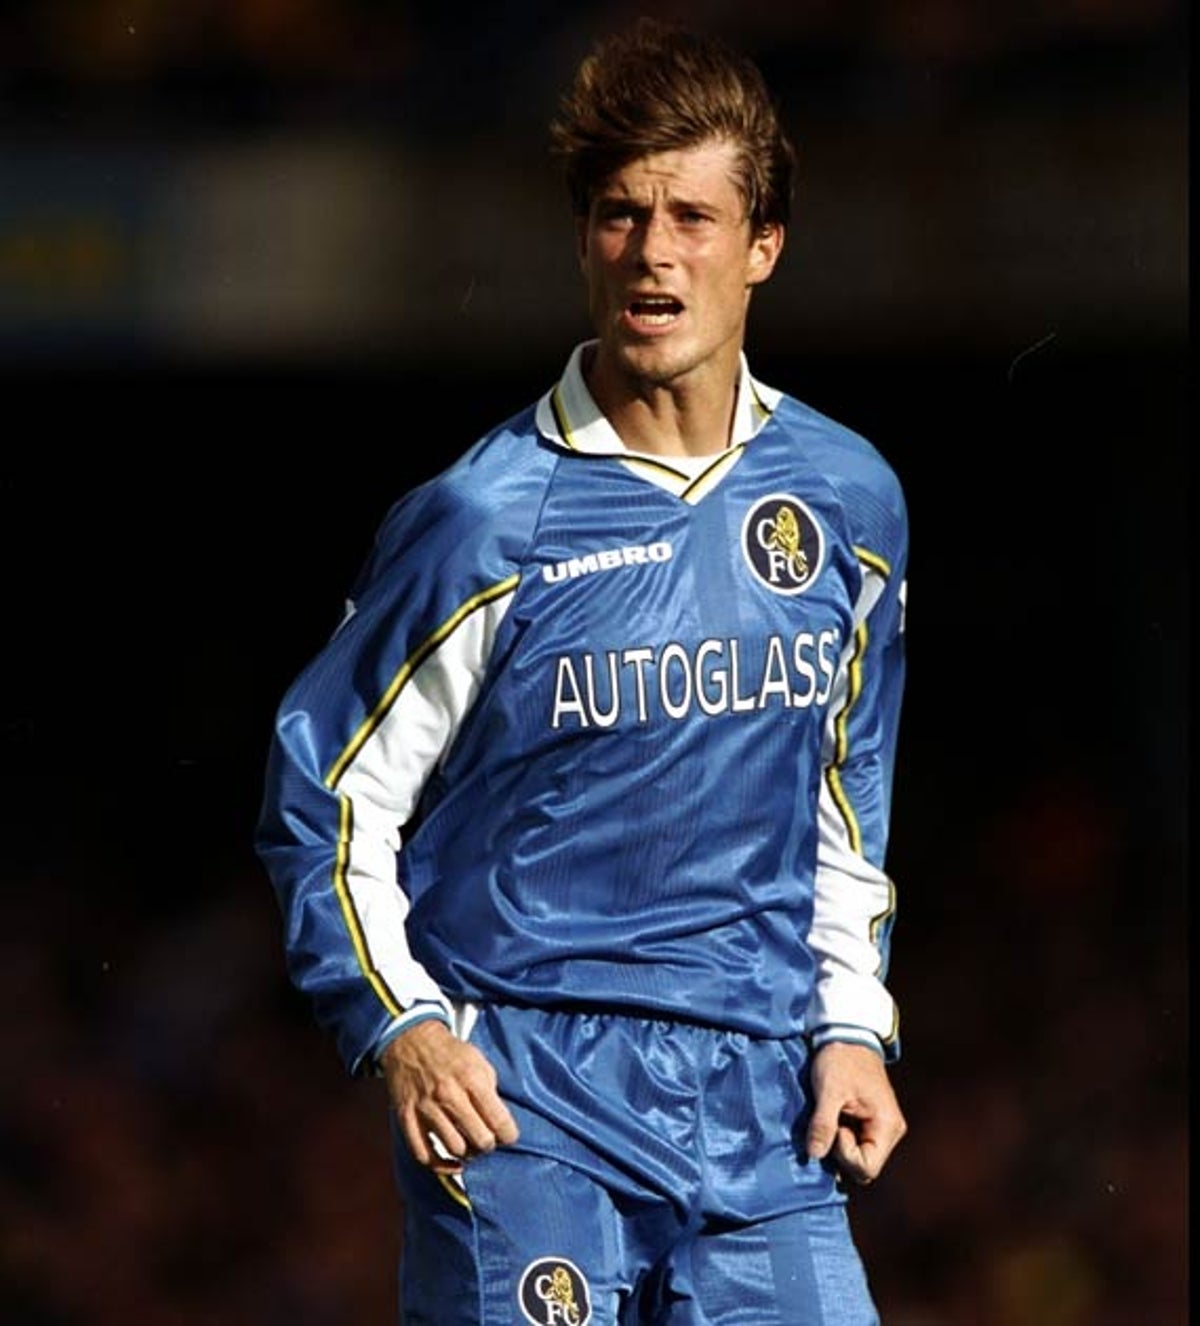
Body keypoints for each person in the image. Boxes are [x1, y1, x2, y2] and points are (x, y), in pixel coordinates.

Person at [255, 17, 909, 1324]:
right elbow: (325, 793)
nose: (654, 253)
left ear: (763, 244)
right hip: (531, 1096)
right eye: (619, 215)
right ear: (582, 240)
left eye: (691, 216)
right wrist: (406, 1028)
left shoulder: (848, 499)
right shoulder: (484, 519)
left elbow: (840, 795)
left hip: (765, 1102)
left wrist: (853, 1022)